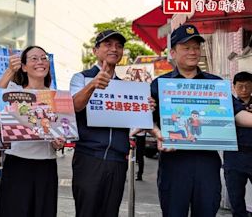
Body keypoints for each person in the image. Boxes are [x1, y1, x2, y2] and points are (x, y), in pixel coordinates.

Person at [150, 24, 252, 217]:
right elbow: (148, 119)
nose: (193, 52)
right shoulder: (160, 85)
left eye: (196, 47)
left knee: (206, 211)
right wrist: (157, 133)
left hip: (207, 163)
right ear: (172, 52)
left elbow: (237, 114)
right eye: (186, 48)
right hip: (174, 163)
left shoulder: (215, 84)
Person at [70, 30, 155, 217]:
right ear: (95, 50)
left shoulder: (126, 86)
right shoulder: (81, 78)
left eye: (119, 46)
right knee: (86, 211)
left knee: (111, 211)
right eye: (108, 45)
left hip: (117, 160)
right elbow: (74, 106)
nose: (114, 49)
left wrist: (145, 109)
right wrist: (92, 84)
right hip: (89, 157)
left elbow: (134, 127)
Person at [0, 46, 65, 217]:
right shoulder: (14, 91)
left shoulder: (57, 97)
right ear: (24, 67)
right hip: (17, 164)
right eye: (34, 58)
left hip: (46, 166)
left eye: (44, 58)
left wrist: (58, 142)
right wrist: (10, 70)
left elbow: (61, 130)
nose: (40, 62)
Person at [223, 71, 252, 217]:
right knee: (236, 199)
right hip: (234, 156)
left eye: (248, 86)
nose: (244, 90)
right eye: (240, 86)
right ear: (234, 87)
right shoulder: (226, 106)